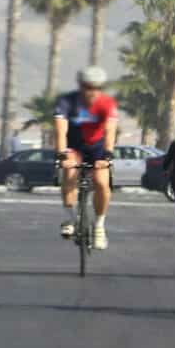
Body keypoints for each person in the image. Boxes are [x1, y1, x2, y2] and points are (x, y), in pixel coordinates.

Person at [54, 65, 118, 250]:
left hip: (97, 147)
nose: (92, 92)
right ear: (80, 86)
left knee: (101, 182)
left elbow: (110, 131)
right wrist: (61, 154)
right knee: (69, 173)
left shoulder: (107, 103)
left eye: (97, 88)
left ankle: (99, 226)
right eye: (88, 87)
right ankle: (71, 218)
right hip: (74, 146)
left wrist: (107, 156)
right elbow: (60, 130)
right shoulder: (66, 101)